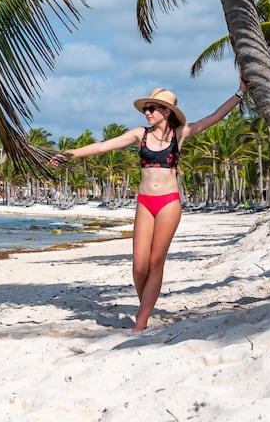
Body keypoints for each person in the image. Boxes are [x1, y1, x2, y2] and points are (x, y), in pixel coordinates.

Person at [50, 82, 246, 331]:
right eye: (146, 108)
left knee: (155, 263)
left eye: (152, 108)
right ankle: (146, 305)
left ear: (167, 111)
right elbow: (102, 146)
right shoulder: (140, 134)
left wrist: (240, 93)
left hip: (168, 203)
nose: (147, 112)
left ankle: (140, 322)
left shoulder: (180, 133)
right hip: (145, 202)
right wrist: (69, 154)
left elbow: (214, 117)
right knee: (139, 266)